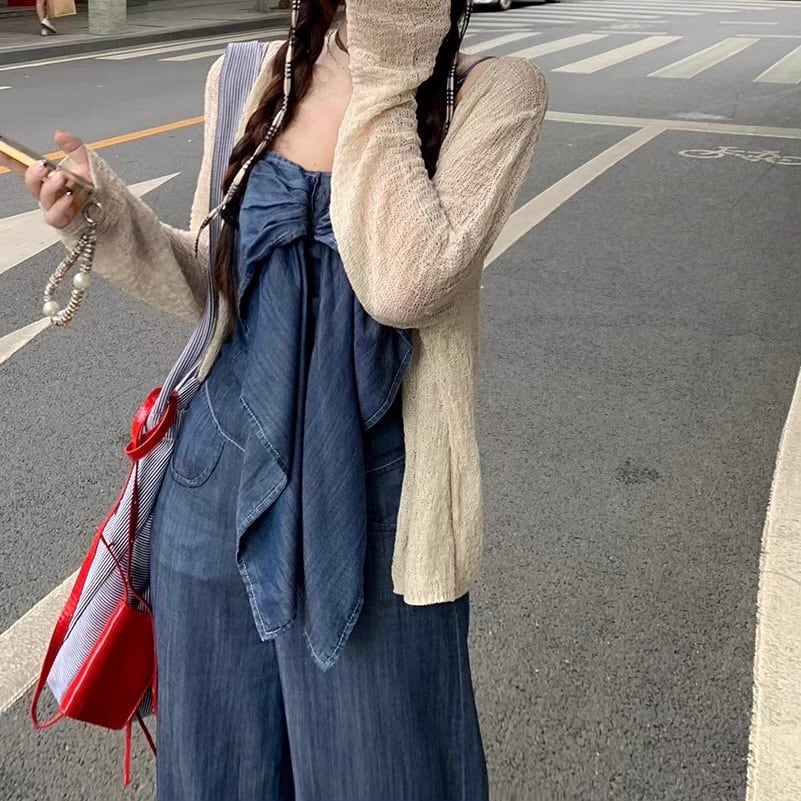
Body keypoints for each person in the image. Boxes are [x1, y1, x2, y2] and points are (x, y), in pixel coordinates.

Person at [1, 0, 547, 797]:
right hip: (211, 489)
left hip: (378, 510)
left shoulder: (495, 94)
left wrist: (386, 73)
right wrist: (106, 217)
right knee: (218, 777)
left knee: (383, 775)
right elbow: (214, 287)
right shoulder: (246, 75)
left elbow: (406, 284)